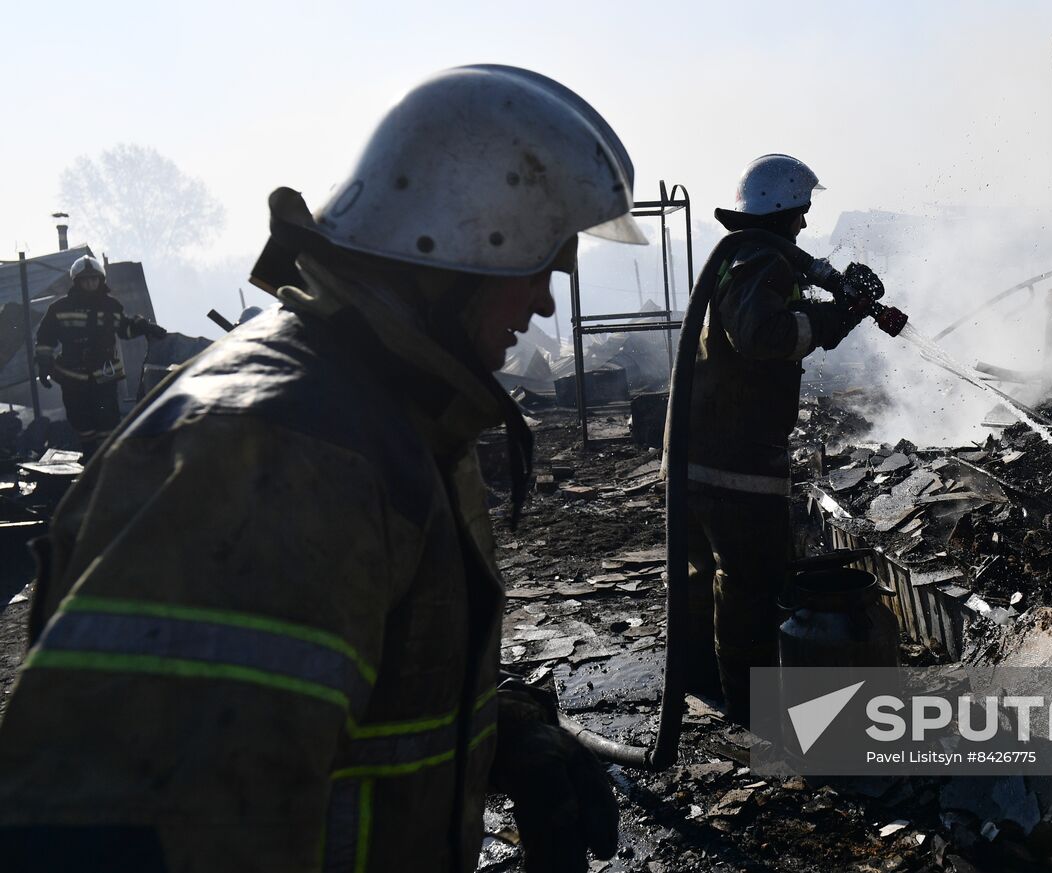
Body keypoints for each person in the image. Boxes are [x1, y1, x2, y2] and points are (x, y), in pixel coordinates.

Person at [0, 65, 643, 873]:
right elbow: (132, 835)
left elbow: (310, 712)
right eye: (539, 267)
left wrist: (488, 735)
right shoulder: (276, 451)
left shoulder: (385, 407)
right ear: (460, 249)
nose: (545, 305)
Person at [684, 154, 870, 722]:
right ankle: (753, 708)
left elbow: (781, 308)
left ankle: (703, 682)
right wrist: (839, 316)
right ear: (785, 210)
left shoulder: (745, 255)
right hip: (733, 457)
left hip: (698, 450)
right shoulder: (761, 259)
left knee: (708, 574)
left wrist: (843, 298)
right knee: (750, 583)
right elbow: (763, 335)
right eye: (803, 213)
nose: (807, 225)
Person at [33, 255, 167, 457]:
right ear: (77, 281)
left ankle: (107, 460)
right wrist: (44, 364)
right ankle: (89, 456)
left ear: (101, 280)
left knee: (108, 420)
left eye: (94, 279)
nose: (90, 283)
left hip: (104, 375)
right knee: (80, 420)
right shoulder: (59, 308)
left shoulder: (111, 306)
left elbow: (125, 330)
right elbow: (45, 339)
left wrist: (144, 327)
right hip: (73, 376)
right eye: (86, 280)